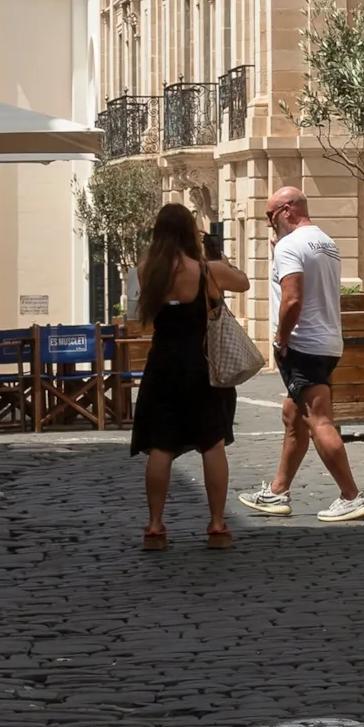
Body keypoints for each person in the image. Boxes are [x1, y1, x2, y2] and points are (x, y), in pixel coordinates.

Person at [128, 200, 245, 547]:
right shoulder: (206, 271)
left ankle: (154, 525)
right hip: (200, 363)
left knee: (160, 445)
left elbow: (141, 317)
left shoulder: (145, 269)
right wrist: (215, 254)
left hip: (162, 363)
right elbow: (243, 283)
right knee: (212, 442)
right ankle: (218, 523)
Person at [254, 184, 364, 524]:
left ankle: (351, 495)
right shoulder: (326, 242)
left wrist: (280, 337)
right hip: (327, 341)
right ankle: (278, 491)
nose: (269, 222)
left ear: (288, 210)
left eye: (271, 215)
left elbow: (292, 299)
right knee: (293, 418)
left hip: (303, 344)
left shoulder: (290, 246)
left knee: (319, 421)